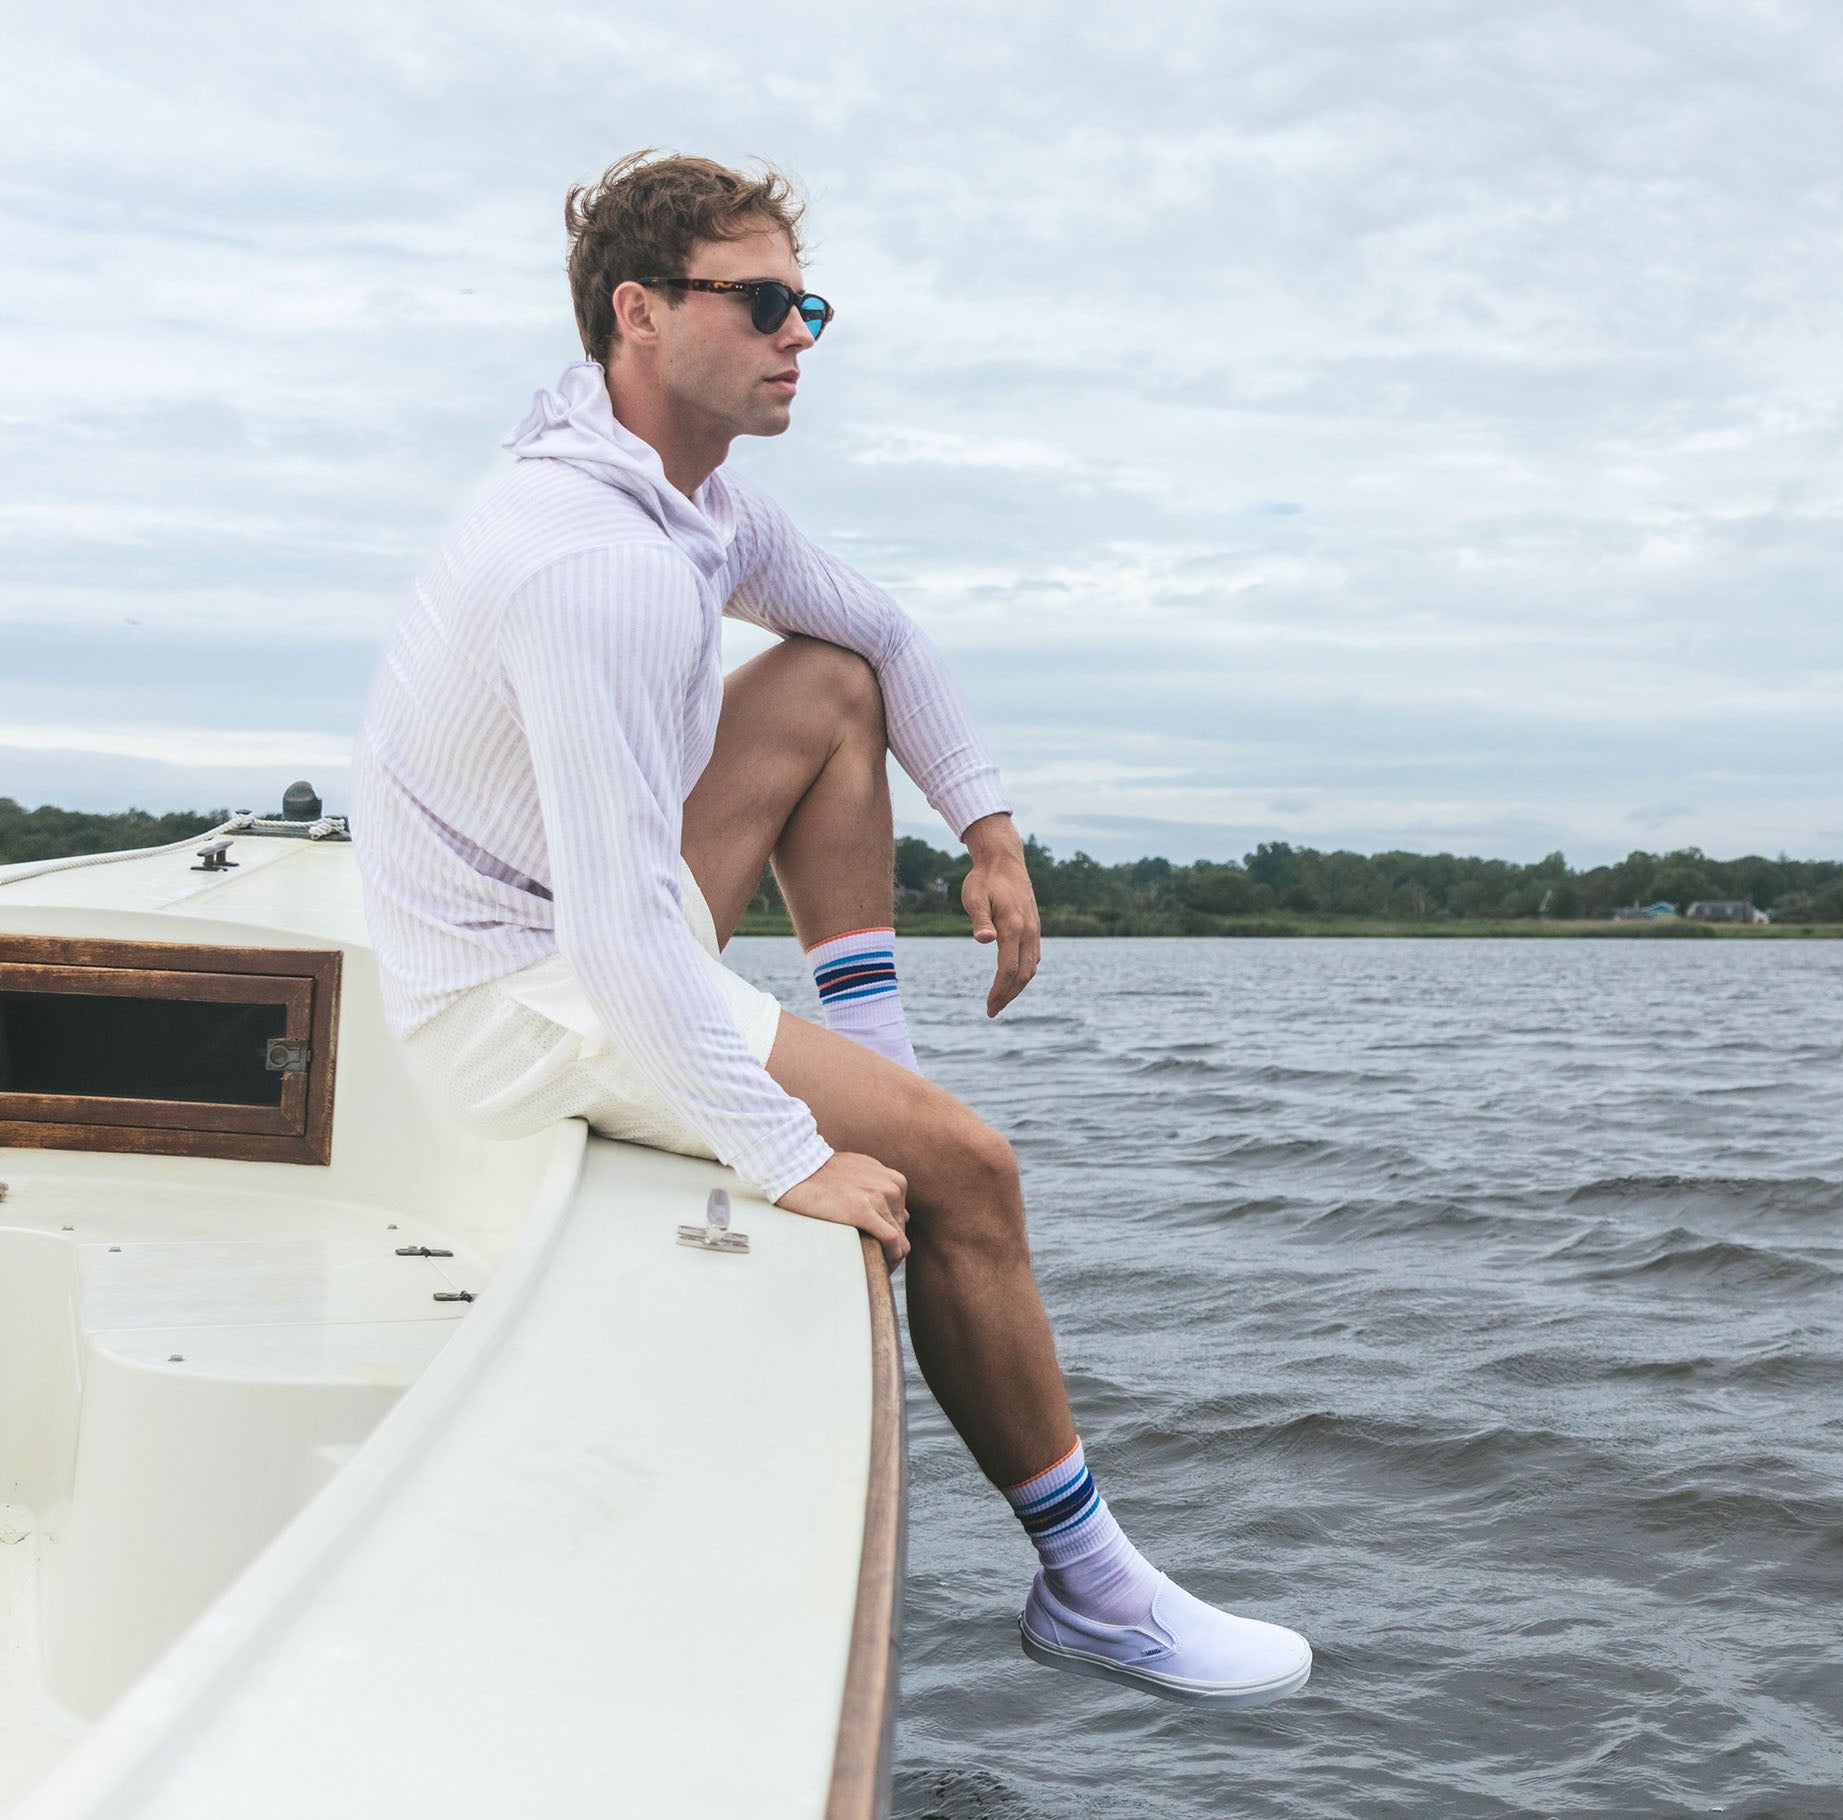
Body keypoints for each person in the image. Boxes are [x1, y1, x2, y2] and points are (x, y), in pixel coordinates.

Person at [350, 150, 1309, 1709]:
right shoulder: (588, 561)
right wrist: (791, 1154)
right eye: (766, 303)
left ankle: (865, 1043)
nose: (801, 335)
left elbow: (885, 632)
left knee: (827, 682)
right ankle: (1093, 1590)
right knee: (968, 1171)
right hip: (519, 999)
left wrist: (989, 833)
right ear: (640, 315)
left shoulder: (691, 506)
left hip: (599, 922)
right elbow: (612, 938)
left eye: (811, 306)